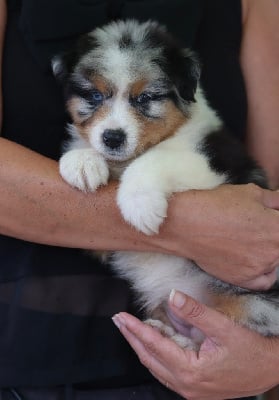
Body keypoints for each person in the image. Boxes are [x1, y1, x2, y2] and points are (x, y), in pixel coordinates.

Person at [0, 1, 278, 400]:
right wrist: (186, 225)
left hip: (226, 352)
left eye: (143, 98)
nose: (116, 125)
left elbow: (270, 206)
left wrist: (272, 359)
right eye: (96, 98)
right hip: (35, 357)